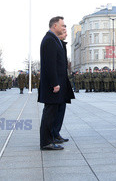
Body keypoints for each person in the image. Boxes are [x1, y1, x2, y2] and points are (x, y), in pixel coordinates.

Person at [38, 16, 75, 150]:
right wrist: (55, 83)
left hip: (56, 84)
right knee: (49, 114)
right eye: (62, 25)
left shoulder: (54, 40)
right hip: (52, 86)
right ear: (55, 26)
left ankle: (50, 138)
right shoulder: (49, 40)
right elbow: (50, 65)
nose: (64, 27)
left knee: (53, 113)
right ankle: (46, 142)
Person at [51, 29, 74, 145]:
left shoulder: (61, 45)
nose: (66, 35)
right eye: (65, 33)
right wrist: (55, 83)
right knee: (55, 111)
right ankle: (53, 134)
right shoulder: (54, 44)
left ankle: (56, 133)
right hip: (58, 84)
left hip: (63, 84)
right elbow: (52, 66)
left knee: (61, 110)